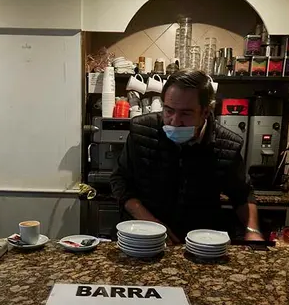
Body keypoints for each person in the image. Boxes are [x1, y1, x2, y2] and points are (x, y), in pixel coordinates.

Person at [110, 69, 262, 243]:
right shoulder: (142, 130)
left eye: (186, 113)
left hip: (200, 240)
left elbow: (242, 195)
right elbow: (120, 180)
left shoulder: (227, 145)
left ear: (205, 112)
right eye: (169, 111)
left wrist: (253, 230)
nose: (175, 121)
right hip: (141, 233)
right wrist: (154, 225)